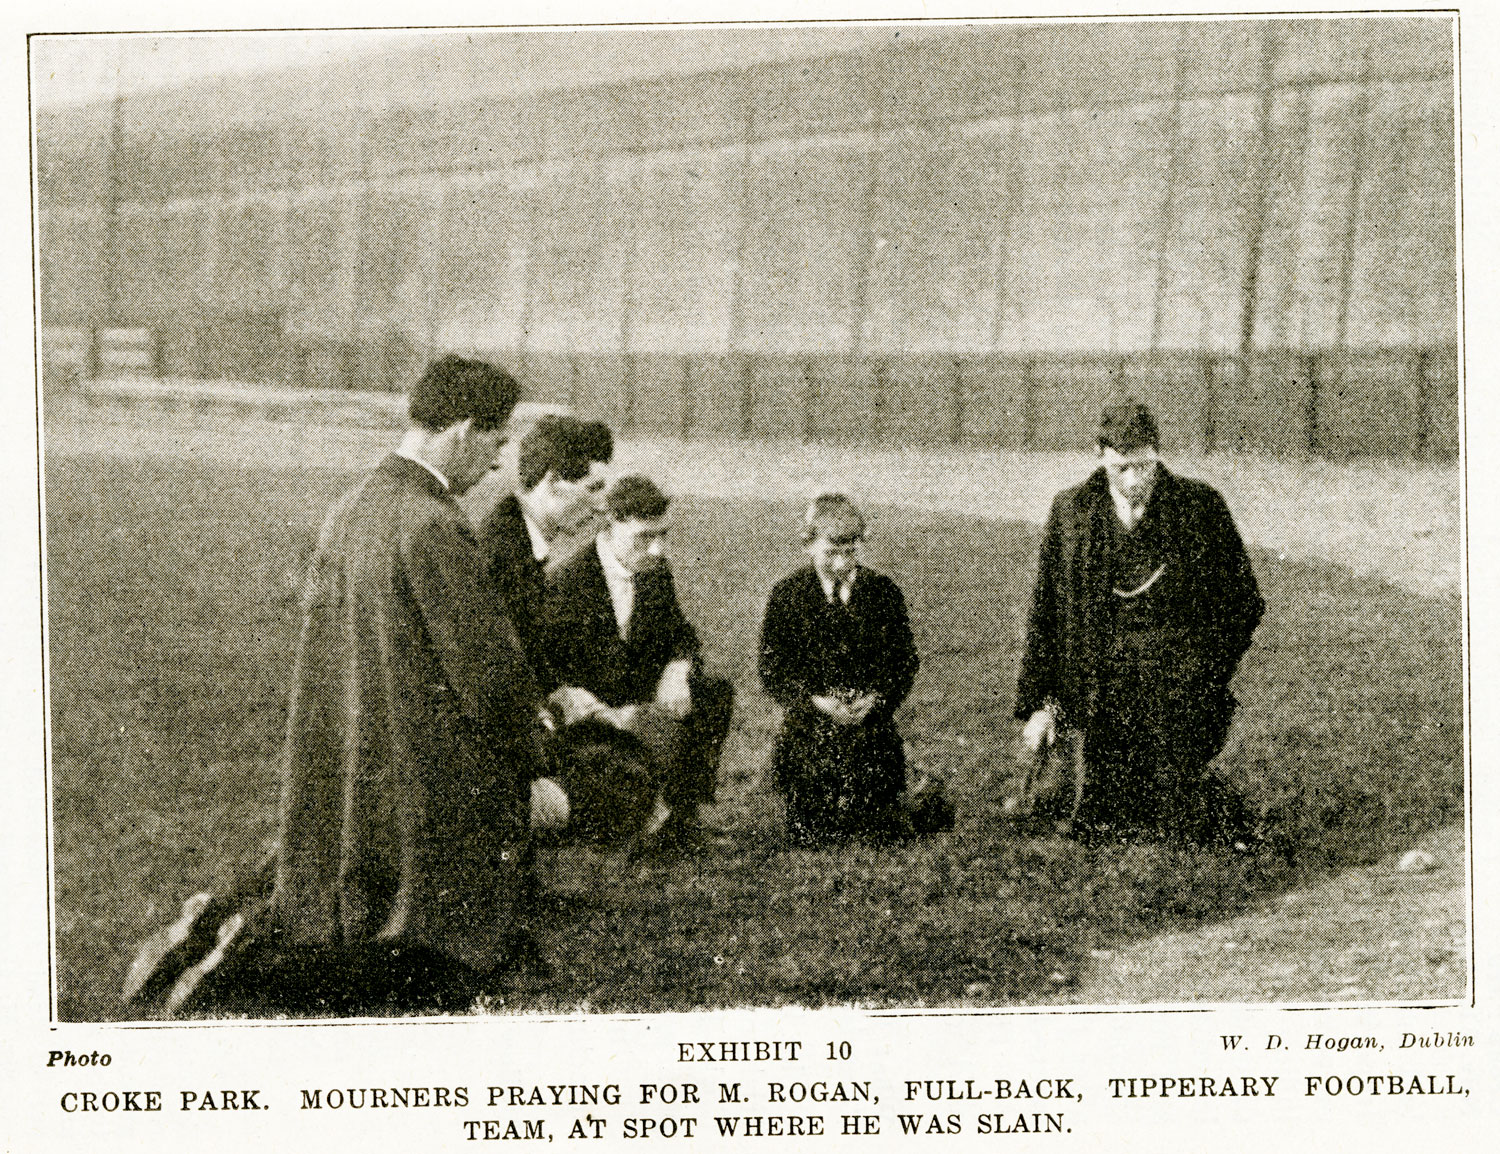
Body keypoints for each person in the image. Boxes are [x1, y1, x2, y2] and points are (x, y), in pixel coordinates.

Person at [125, 355, 551, 1016]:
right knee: (436, 962)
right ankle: (238, 970)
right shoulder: (435, 525)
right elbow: (490, 679)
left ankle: (215, 931)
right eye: (497, 444)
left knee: (358, 915)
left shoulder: (352, 505)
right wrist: (532, 767)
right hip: (422, 769)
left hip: (352, 751)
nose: (497, 464)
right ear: (464, 430)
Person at [1014, 401, 1264, 846]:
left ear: (1158, 455)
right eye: (1122, 468)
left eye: (1145, 466)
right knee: (1097, 822)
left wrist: (1205, 671)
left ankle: (1190, 792)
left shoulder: (1199, 507)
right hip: (1100, 689)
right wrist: (1040, 702)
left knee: (1178, 823)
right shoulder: (1071, 512)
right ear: (1101, 456)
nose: (1134, 481)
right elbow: (1047, 611)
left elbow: (1243, 603)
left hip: (1175, 688)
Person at [542, 475, 734, 851]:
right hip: (589, 715)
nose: (658, 549)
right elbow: (551, 673)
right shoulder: (564, 581)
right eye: (645, 537)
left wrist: (677, 668)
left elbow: (681, 633)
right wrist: (608, 712)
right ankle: (635, 819)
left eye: (662, 535)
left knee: (712, 691)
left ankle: (683, 814)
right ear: (612, 521)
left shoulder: (655, 573)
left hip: (640, 696)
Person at [758, 494, 920, 846]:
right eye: (831, 551)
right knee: (811, 833)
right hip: (811, 724)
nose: (842, 563)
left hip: (869, 726)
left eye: (851, 551)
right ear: (808, 544)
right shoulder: (787, 595)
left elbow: (904, 661)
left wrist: (877, 698)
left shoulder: (882, 593)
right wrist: (814, 702)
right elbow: (772, 668)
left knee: (878, 829)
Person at [478, 415, 613, 692]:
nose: (602, 507)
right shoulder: (502, 551)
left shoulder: (517, 534)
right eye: (593, 488)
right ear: (552, 482)